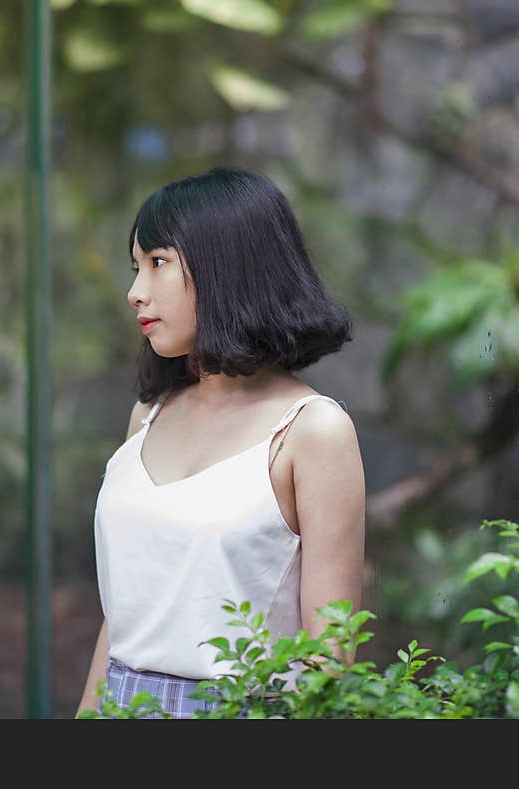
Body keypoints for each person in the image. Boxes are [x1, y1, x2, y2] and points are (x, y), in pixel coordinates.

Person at [75, 166, 366, 719]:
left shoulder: (311, 431)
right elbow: (123, 619)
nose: (135, 292)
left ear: (227, 269)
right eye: (135, 267)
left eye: (158, 263)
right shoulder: (147, 418)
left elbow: (329, 657)